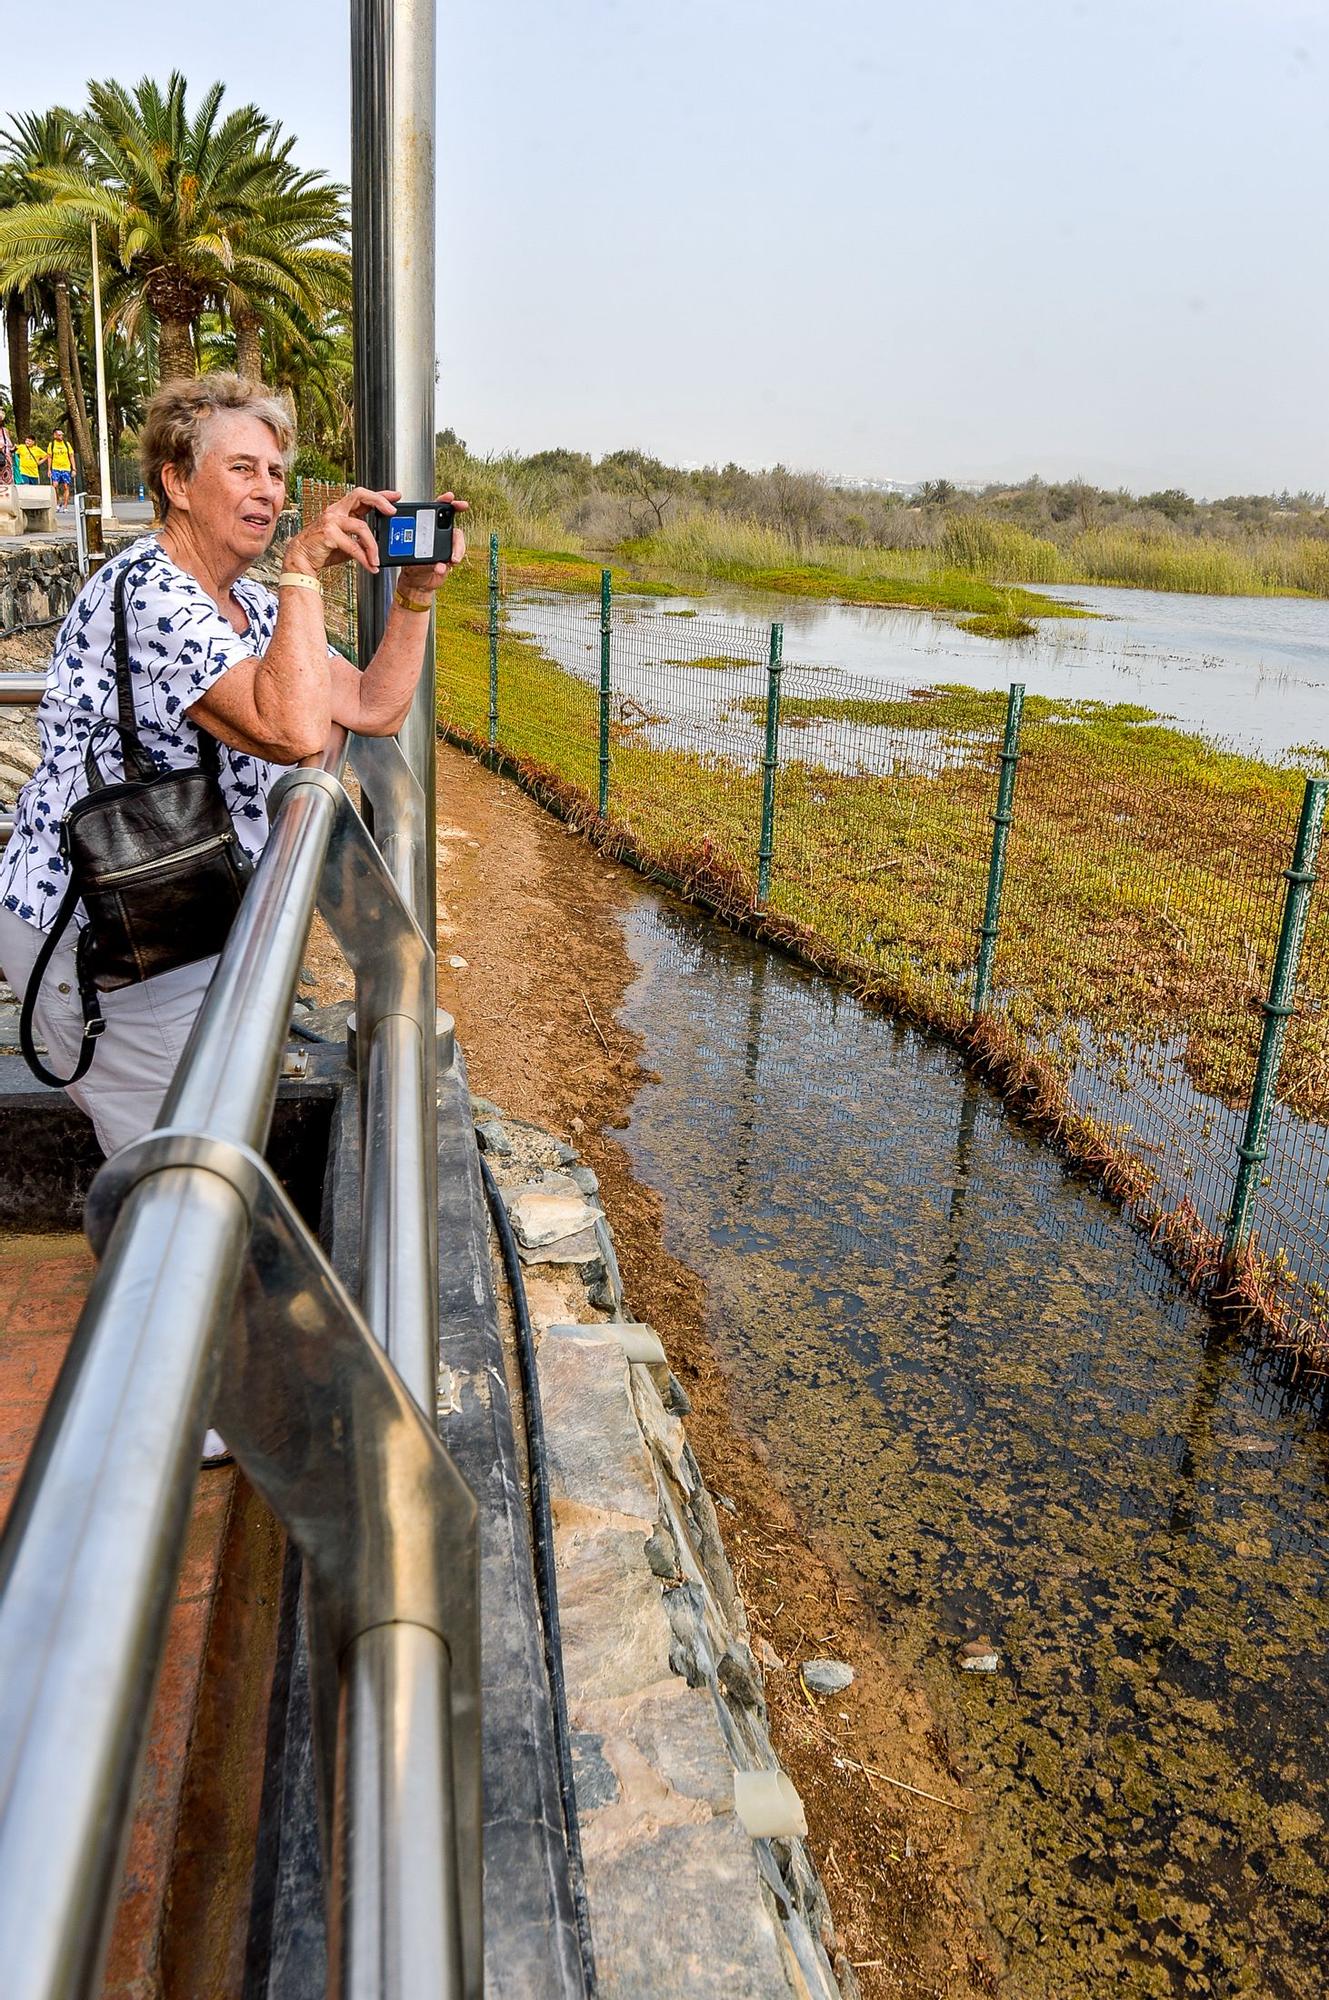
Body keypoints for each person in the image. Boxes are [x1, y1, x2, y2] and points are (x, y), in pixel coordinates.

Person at [0, 369, 466, 1157]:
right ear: (177, 482)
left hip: (175, 911)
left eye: (277, 474)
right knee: (174, 1172)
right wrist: (303, 571)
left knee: (200, 1145)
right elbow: (287, 729)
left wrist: (416, 595)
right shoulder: (151, 592)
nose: (269, 492)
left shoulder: (245, 601)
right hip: (105, 927)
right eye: (242, 468)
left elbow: (371, 707)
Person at [48, 428, 74, 507]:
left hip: (66, 468)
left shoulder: (67, 444)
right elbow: (49, 457)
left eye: (62, 435)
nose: (61, 436)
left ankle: (65, 505)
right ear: (55, 435)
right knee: (55, 485)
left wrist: (74, 468)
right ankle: (58, 501)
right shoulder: (52, 445)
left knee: (66, 486)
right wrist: (49, 469)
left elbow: (71, 456)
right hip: (55, 468)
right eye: (59, 435)